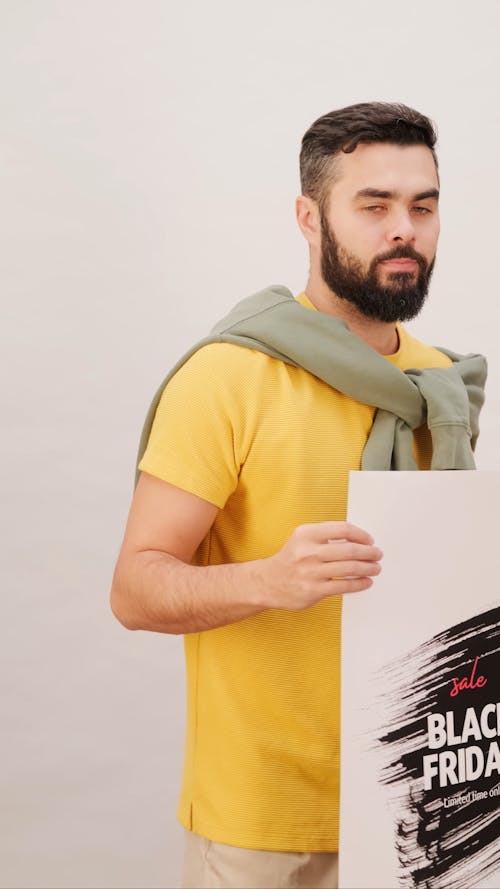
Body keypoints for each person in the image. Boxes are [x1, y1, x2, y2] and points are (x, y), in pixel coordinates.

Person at [110, 102, 485, 889]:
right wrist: (267, 580)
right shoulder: (229, 376)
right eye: (374, 205)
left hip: (424, 804)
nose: (404, 229)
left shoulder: (438, 388)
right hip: (265, 826)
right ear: (309, 217)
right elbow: (135, 588)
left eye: (423, 205)